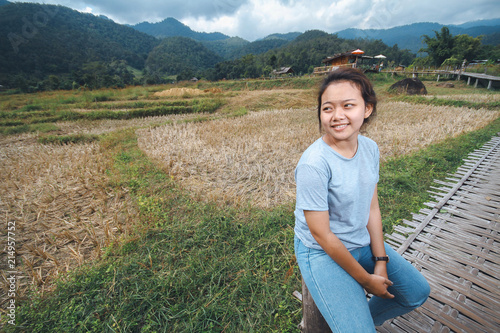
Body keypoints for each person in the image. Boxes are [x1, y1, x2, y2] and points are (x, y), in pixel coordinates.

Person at [294, 68, 430, 332]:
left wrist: (380, 261)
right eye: (328, 108)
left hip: (360, 241)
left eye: (348, 105)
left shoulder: (370, 148)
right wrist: (367, 281)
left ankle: (355, 321)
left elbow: (372, 207)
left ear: (367, 109)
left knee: (416, 292)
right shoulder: (314, 164)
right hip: (321, 252)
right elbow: (321, 234)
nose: (337, 116)